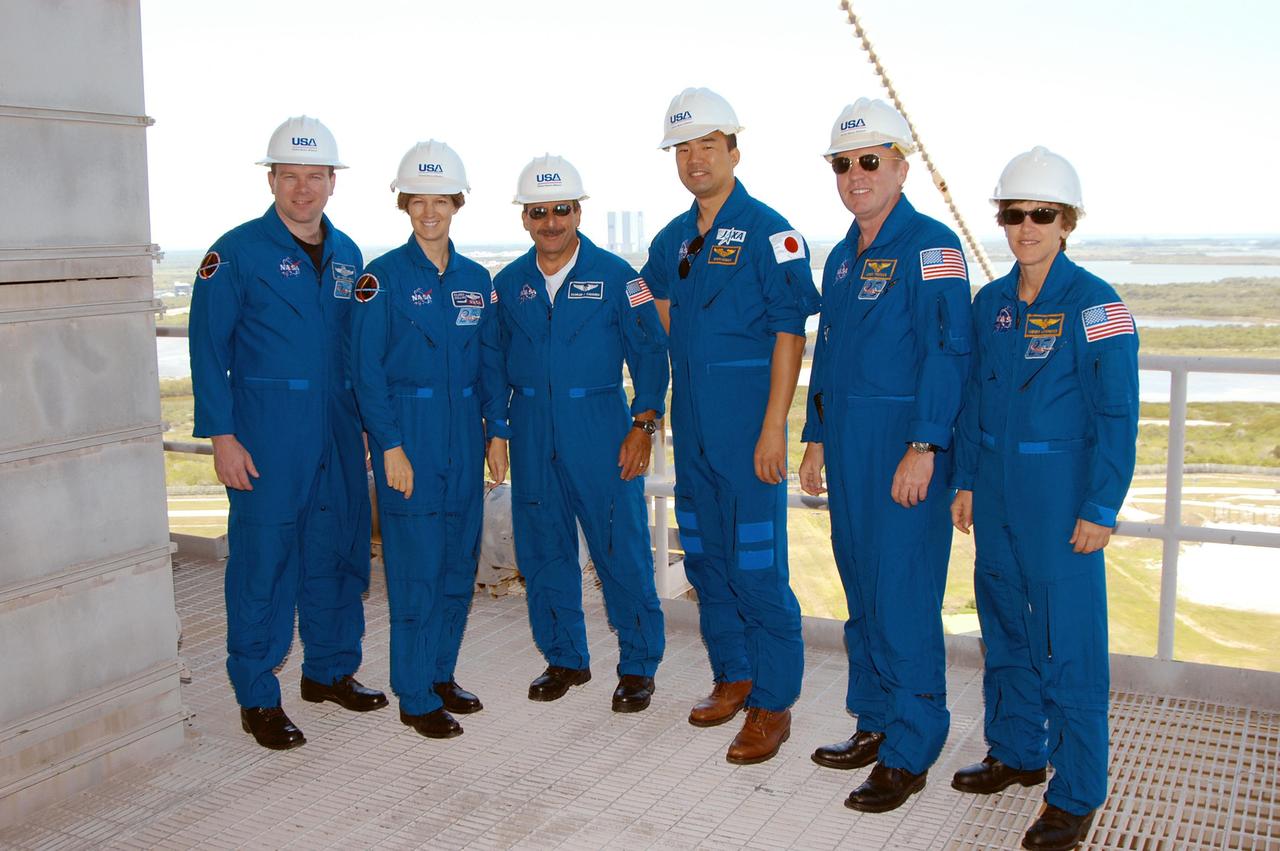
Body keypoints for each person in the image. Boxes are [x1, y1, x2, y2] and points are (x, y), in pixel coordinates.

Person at [949, 147, 1138, 851]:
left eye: (1042, 214)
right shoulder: (989, 304)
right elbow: (972, 400)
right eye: (1013, 213)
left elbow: (1118, 415)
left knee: (1068, 646)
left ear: (1067, 222)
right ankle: (1019, 751)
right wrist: (965, 478)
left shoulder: (1098, 305)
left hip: (1061, 501)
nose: (1025, 226)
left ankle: (1077, 790)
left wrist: (1102, 504)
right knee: (1004, 632)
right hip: (995, 496)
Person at [190, 116, 386, 751]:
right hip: (267, 434)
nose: (303, 189)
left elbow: (357, 350)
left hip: (336, 429)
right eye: (290, 176)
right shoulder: (236, 253)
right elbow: (206, 350)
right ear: (272, 179)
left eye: (315, 177)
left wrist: (363, 424)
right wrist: (221, 435)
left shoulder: (350, 255)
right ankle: (255, 694)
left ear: (333, 182)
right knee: (264, 563)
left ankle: (329, 671)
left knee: (337, 553)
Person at [798, 99, 972, 811]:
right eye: (843, 163)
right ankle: (873, 718)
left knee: (902, 598)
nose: (856, 174)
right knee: (863, 592)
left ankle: (913, 742)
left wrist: (926, 444)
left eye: (870, 160)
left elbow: (949, 350)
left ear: (901, 165)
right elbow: (828, 353)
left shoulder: (932, 247)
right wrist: (812, 435)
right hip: (846, 445)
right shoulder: (841, 255)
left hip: (905, 448)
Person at [642, 88, 820, 765]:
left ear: (733, 150)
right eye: (682, 149)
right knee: (710, 564)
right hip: (696, 433)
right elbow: (657, 298)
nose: (694, 160)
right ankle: (734, 675)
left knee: (757, 567)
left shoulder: (773, 232)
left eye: (706, 147)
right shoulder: (670, 239)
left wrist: (776, 424)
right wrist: (692, 352)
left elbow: (789, 332)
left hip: (751, 435)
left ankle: (772, 702)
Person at [481, 155, 668, 713]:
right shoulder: (508, 284)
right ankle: (565, 658)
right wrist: (497, 429)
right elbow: (492, 362)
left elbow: (653, 358)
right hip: (533, 428)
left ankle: (637, 665)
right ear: (525, 218)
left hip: (602, 427)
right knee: (543, 551)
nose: (551, 222)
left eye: (562, 210)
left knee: (623, 551)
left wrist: (644, 424)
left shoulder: (618, 278)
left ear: (578, 211)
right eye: (539, 212)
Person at [350, 140, 494, 739]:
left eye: (441, 200)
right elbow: (366, 371)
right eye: (419, 201)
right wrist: (389, 445)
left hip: (465, 434)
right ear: (405, 205)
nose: (430, 212)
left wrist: (498, 432)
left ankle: (439, 674)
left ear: (457, 203)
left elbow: (488, 360)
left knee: (458, 565)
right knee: (415, 570)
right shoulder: (379, 279)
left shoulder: (475, 278)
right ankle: (413, 694)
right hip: (410, 437)